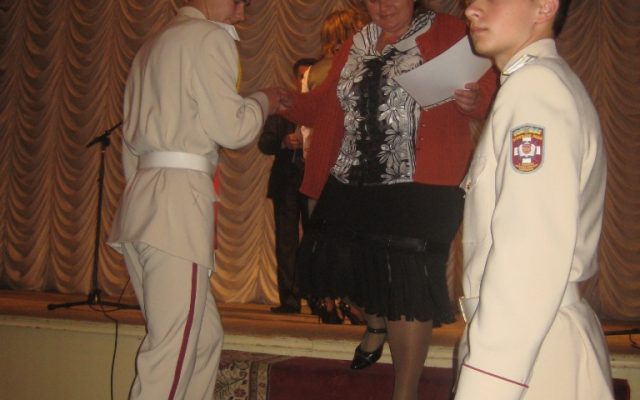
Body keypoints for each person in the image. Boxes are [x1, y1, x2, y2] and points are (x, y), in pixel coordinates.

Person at [283, 1, 498, 399]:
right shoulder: (358, 41)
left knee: (407, 284)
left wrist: (477, 100)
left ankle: (405, 392)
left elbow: (492, 84)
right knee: (334, 258)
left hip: (422, 181)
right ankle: (375, 324)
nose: (383, 6)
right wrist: (279, 100)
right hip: (354, 173)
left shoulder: (450, 31)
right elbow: (326, 104)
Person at [107, 0, 285, 398]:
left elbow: (130, 150)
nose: (242, 14)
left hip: (142, 202)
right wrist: (264, 101)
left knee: (203, 340)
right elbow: (233, 129)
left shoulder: (152, 45)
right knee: (171, 351)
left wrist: (148, 199)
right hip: (176, 205)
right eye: (239, 2)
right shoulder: (208, 37)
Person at [454, 0, 614, 399]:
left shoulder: (535, 89)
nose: (471, 10)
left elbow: (528, 255)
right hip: (535, 344)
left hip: (528, 356)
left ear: (544, 7)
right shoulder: (539, 83)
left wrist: (486, 386)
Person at [300, 8, 369, 325]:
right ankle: (352, 301)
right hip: (351, 161)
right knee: (353, 236)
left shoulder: (312, 72)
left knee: (321, 234)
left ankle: (325, 298)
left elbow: (306, 124)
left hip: (319, 159)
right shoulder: (362, 65)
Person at [259, 58, 316, 314]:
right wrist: (283, 141)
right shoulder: (282, 107)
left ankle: (316, 297)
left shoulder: (324, 109)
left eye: (310, 77)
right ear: (295, 80)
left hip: (314, 182)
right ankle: (289, 300)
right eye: (302, 77)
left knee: (315, 240)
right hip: (286, 183)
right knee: (286, 241)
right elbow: (264, 143)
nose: (305, 82)